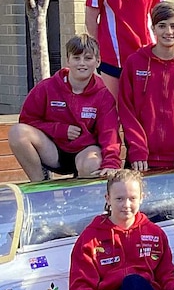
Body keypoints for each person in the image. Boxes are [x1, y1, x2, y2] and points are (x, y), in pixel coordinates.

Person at [10, 33, 121, 181]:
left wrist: (111, 162)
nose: (82, 63)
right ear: (67, 60)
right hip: (53, 150)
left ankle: (81, 199)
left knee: (92, 163)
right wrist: (59, 129)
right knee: (17, 132)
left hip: (85, 151)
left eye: (88, 58)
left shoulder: (103, 95)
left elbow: (109, 133)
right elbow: (27, 120)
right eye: (76, 58)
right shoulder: (47, 87)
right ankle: (40, 188)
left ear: (98, 61)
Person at [119, 1, 174, 171]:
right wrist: (137, 150)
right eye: (162, 26)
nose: (168, 32)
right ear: (153, 29)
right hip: (141, 161)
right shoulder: (135, 63)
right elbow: (126, 110)